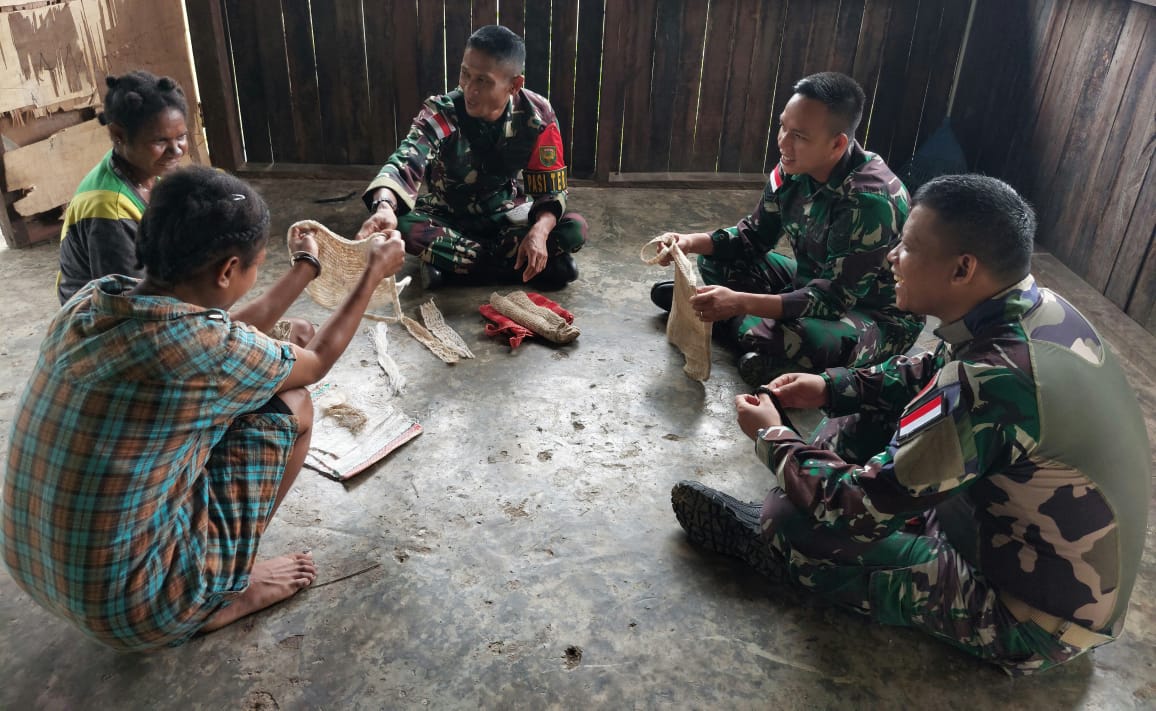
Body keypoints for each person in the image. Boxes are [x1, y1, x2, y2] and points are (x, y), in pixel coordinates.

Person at [670, 175, 1150, 675]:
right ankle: (834, 483)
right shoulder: (1031, 310)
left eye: (909, 247)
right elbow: (929, 370)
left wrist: (774, 438)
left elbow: (856, 508)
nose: (891, 257)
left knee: (791, 522)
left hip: (1034, 618)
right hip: (1004, 525)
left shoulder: (991, 382)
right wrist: (831, 387)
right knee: (859, 416)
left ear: (963, 269)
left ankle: (775, 546)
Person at [2, 166, 406, 651]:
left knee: (285, 337)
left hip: (36, 569)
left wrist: (305, 267)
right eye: (256, 264)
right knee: (293, 405)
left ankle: (210, 573)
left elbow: (222, 331)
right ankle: (220, 592)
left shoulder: (92, 301)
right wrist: (371, 273)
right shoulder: (204, 349)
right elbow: (315, 362)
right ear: (226, 272)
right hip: (137, 609)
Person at [650, 72, 922, 386]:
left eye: (800, 136)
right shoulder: (793, 166)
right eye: (783, 126)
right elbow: (753, 236)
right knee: (714, 258)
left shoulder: (868, 202)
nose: (783, 141)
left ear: (837, 144)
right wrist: (689, 242)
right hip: (808, 281)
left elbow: (832, 300)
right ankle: (739, 325)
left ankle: (723, 319)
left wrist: (740, 301)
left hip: (873, 315)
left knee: (805, 338)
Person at [356, 24, 586, 290]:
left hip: (505, 215)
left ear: (514, 85)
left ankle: (453, 268)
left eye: (483, 81)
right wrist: (384, 205)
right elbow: (406, 160)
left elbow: (551, 188)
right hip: (447, 217)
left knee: (574, 228)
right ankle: (524, 267)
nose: (469, 89)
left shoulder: (537, 115)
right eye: (465, 74)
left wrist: (540, 231)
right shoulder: (443, 111)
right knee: (405, 225)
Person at [58, 71, 189, 304]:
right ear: (118, 134)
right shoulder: (110, 208)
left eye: (181, 137)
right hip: (97, 317)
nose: (176, 150)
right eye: (160, 141)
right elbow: (126, 303)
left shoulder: (149, 169)